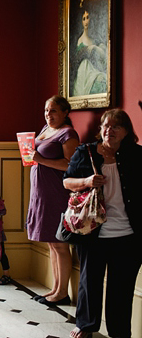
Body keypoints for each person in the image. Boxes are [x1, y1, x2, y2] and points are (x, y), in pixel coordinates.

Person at [64, 109, 142, 338]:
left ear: (126, 131)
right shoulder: (85, 151)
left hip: (129, 234)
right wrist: (87, 181)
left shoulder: (136, 155)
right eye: (106, 126)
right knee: (90, 282)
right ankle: (86, 325)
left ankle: (119, 331)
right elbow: (66, 182)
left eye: (116, 126)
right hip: (93, 230)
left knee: (122, 288)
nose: (110, 130)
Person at [26, 95, 79, 306]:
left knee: (60, 244)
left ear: (65, 112)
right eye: (47, 110)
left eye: (54, 110)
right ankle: (55, 288)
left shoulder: (68, 133)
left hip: (57, 193)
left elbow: (70, 165)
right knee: (51, 243)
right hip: (41, 194)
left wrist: (40, 160)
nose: (49, 114)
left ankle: (62, 292)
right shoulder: (44, 130)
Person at [71, 0, 108, 97]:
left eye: (87, 18)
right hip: (84, 71)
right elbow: (78, 58)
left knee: (102, 78)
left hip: (94, 68)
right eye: (83, 19)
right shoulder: (80, 40)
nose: (86, 21)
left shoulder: (95, 39)